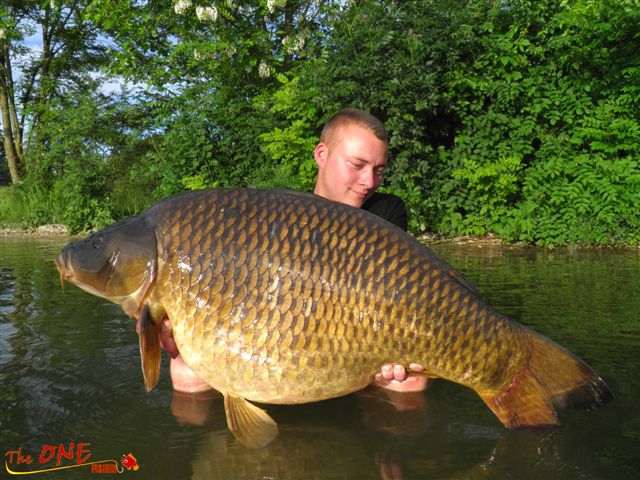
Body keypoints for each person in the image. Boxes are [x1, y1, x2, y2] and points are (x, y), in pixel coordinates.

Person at [161, 108, 428, 394]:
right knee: (186, 371)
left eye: (378, 170)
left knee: (410, 382)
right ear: (321, 155)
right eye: (357, 165)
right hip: (283, 338)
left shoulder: (386, 212)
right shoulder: (281, 217)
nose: (369, 182)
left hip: (357, 339)